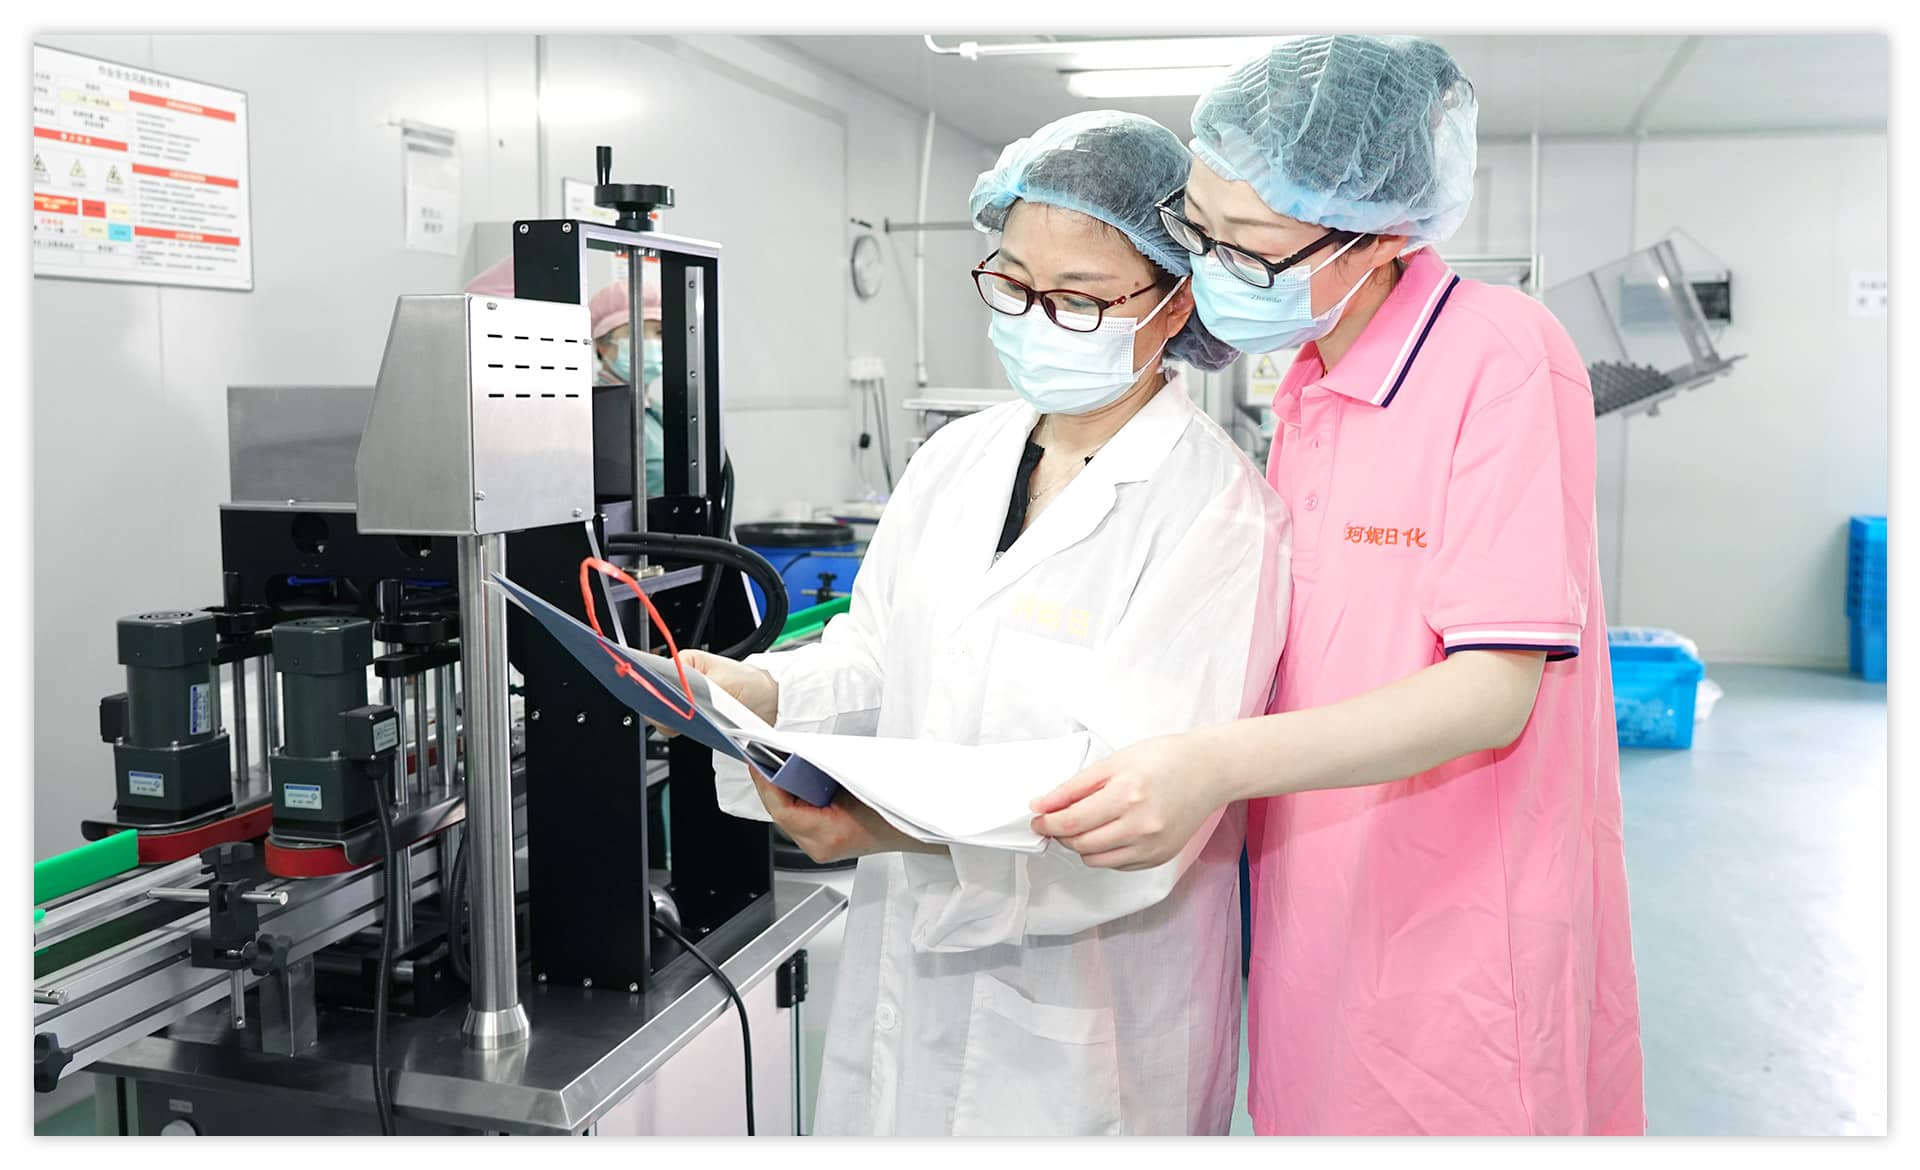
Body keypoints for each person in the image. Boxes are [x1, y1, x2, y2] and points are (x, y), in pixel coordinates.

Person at [1029, 36, 1645, 1136]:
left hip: (1460, 932)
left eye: (1250, 248)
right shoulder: (1311, 381)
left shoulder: (1499, 353)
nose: (1217, 270)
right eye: (1201, 231)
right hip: (1320, 912)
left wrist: (1212, 762)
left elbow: (1490, 690)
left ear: (1383, 234)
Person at [677, 111, 1289, 1135]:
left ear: (1175, 298)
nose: (1037, 320)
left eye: (1079, 299)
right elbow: (879, 655)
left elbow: (1137, 799)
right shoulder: (956, 458)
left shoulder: (1218, 512)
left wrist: (890, 828)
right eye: (1012, 284)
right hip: (903, 975)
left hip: (1085, 1021)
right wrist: (765, 691)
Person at [464, 258, 666, 497]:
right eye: (636, 332)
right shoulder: (592, 413)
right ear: (601, 344)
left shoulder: (656, 412)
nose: (651, 343)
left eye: (659, 332)